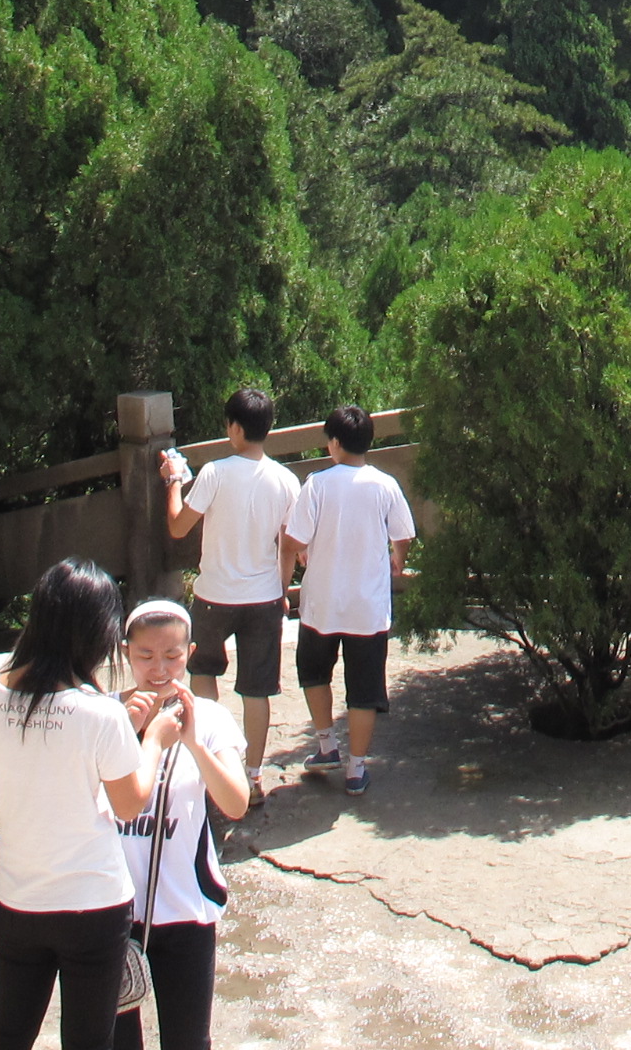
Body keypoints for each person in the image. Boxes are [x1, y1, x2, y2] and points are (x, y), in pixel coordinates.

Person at [0, 558, 189, 1050]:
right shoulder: (99, 713)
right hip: (93, 902)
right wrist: (153, 741)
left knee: (6, 1035)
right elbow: (129, 804)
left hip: (18, 897)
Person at [109, 600, 250, 1050]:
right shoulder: (107, 715)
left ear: (190, 653)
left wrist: (191, 743)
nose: (159, 668)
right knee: (114, 1040)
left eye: (172, 656)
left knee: (189, 1041)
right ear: (125, 653)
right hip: (112, 910)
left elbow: (236, 802)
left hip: (185, 910)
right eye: (145, 656)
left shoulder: (210, 718)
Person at [160, 385, 299, 791]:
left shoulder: (214, 473)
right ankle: (253, 777)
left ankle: (212, 768)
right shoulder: (286, 480)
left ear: (234, 428)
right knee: (257, 691)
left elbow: (177, 526)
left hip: (214, 595)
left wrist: (172, 482)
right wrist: (283, 590)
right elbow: (290, 544)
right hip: (264, 597)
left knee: (203, 675)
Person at [282, 403, 417, 795]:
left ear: (334, 443)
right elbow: (403, 534)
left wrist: (302, 553)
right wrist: (397, 560)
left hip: (322, 603)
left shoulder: (317, 483)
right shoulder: (385, 484)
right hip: (368, 608)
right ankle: (357, 770)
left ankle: (327, 746)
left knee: (313, 673)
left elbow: (295, 539)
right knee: (364, 689)